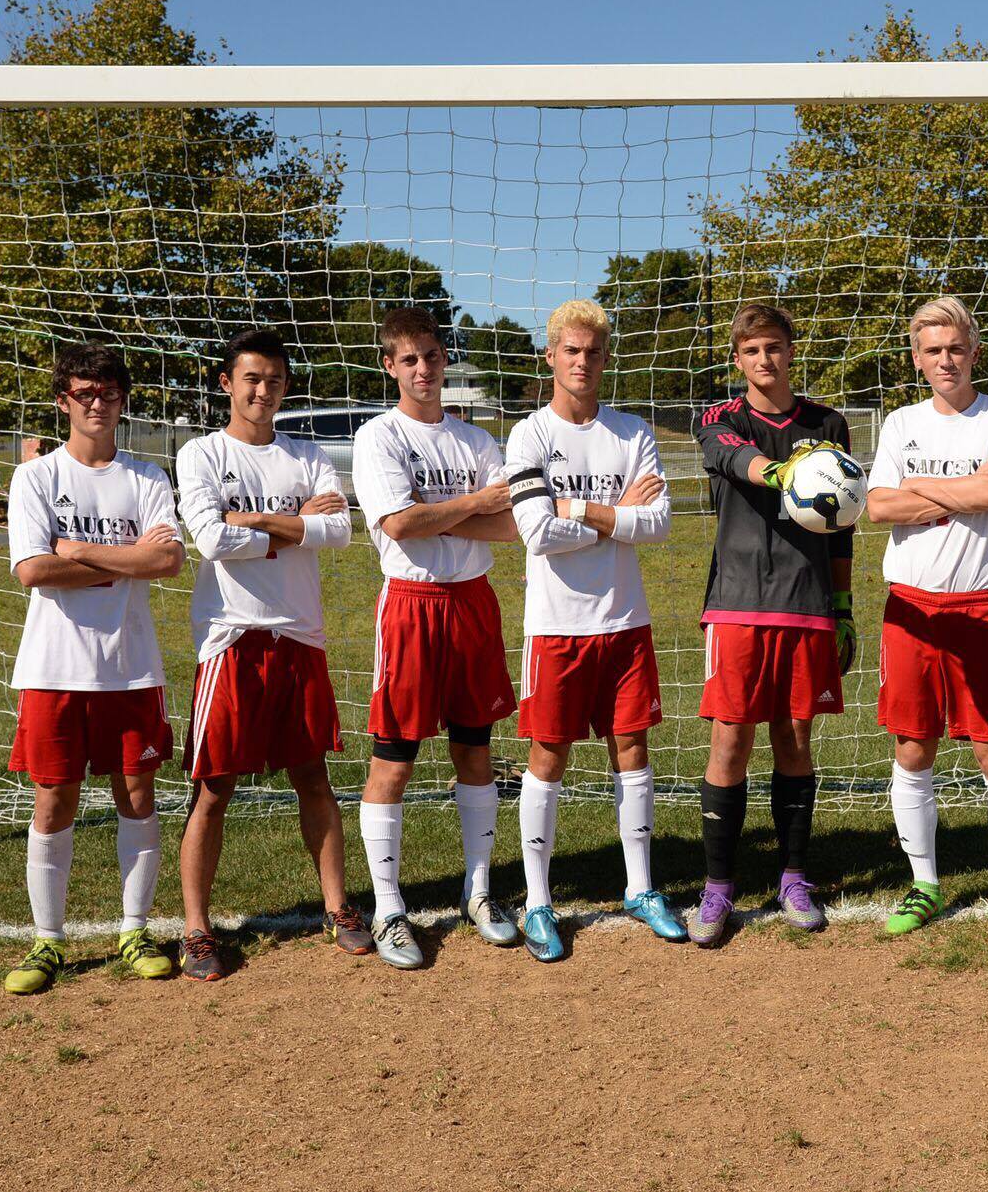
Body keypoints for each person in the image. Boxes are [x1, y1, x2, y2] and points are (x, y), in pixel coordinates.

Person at [171, 329, 373, 981]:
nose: (263, 390)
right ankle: (197, 928)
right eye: (251, 377)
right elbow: (209, 539)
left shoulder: (308, 454)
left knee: (313, 777)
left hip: (299, 637)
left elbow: (339, 529)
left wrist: (251, 521)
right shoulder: (200, 453)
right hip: (232, 638)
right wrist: (291, 525)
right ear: (226, 382)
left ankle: (339, 906)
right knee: (214, 789)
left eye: (275, 378)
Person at [0, 342, 185, 995]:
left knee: (137, 795)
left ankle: (134, 928)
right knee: (54, 798)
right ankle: (48, 940)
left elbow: (168, 562)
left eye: (108, 392)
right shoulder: (36, 477)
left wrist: (78, 547)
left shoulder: (147, 477)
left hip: (130, 667)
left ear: (123, 399)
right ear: (63, 401)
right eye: (84, 393)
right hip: (53, 669)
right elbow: (33, 569)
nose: (97, 403)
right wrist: (125, 553)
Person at [504, 299, 684, 962]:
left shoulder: (632, 432)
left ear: (607, 358)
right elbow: (535, 532)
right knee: (548, 756)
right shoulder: (528, 435)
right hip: (555, 628)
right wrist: (610, 514)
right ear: (551, 355)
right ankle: (539, 901)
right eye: (571, 350)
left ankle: (640, 887)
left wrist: (573, 506)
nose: (583, 361)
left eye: (594, 351)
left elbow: (659, 523)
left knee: (631, 749)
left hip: (625, 622)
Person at [863, 297, 988, 947]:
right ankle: (926, 881)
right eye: (932, 350)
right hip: (908, 608)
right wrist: (961, 486)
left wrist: (924, 491)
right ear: (917, 357)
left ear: (974, 350)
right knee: (913, 747)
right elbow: (878, 506)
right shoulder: (900, 421)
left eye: (955, 348)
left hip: (975, 608)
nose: (945, 360)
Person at [352, 307, 521, 970]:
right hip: (413, 608)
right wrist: (475, 503)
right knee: (394, 761)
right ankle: (389, 905)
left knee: (475, 754)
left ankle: (478, 891)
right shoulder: (379, 438)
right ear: (390, 366)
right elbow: (397, 523)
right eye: (409, 359)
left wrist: (439, 513)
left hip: (474, 605)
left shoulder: (476, 439)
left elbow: (509, 527)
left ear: (446, 359)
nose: (424, 368)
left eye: (433, 355)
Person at [687, 303, 856, 945]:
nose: (765, 359)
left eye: (776, 348)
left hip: (807, 604)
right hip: (735, 605)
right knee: (730, 740)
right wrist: (784, 472)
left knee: (794, 738)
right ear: (739, 358)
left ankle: (792, 876)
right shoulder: (720, 418)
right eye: (753, 350)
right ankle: (718, 887)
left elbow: (841, 529)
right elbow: (732, 459)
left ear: (791, 352)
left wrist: (841, 607)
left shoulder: (827, 424)